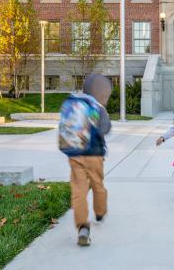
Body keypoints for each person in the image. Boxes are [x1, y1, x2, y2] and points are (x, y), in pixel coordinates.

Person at [58, 74, 112, 247]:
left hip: (75, 154)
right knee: (98, 184)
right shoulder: (98, 107)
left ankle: (82, 227)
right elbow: (105, 129)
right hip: (94, 154)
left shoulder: (73, 102)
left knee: (79, 190)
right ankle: (100, 212)